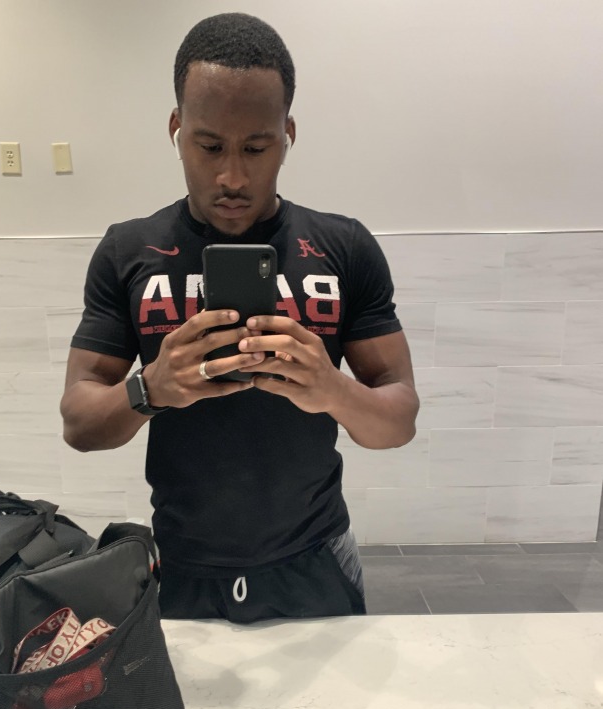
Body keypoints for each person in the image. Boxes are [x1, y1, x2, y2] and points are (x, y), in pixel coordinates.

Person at [61, 12, 419, 623]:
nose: (232, 176)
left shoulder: (345, 247)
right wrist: (153, 387)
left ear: (288, 134)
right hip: (181, 565)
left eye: (256, 148)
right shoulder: (128, 251)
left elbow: (400, 419)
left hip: (316, 560)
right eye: (209, 147)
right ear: (176, 129)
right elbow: (79, 423)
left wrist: (331, 389)